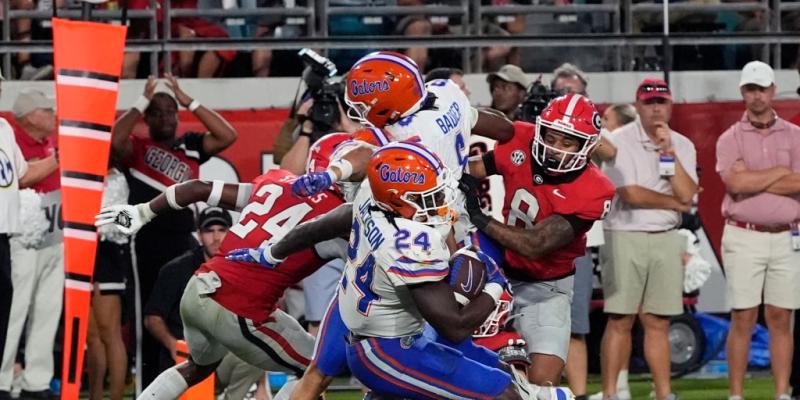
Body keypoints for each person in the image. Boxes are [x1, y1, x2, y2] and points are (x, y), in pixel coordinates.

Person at [246, 142, 572, 400]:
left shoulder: (371, 198)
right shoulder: (411, 241)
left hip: (363, 315)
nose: (441, 199)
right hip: (387, 347)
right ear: (400, 201)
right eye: (429, 195)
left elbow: (325, 223)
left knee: (501, 371)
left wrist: (272, 253)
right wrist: (494, 287)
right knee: (502, 392)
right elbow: (454, 327)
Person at [96, 165, 347, 400]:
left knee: (197, 367)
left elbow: (196, 188)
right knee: (317, 368)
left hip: (199, 287)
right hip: (239, 307)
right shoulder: (343, 219)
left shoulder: (276, 182)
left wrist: (142, 211)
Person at [462, 93, 616, 387]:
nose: (555, 148)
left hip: (546, 288)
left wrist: (478, 216)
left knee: (541, 383)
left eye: (567, 142)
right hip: (496, 274)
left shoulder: (595, 189)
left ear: (588, 147)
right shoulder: (521, 138)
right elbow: (475, 166)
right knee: (473, 374)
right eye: (552, 136)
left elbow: (536, 245)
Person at [110, 73, 237, 386]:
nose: (166, 117)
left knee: (184, 312)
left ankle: (188, 380)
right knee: (148, 315)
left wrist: (187, 99)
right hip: (144, 241)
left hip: (183, 241)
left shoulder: (190, 145)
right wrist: (141, 101)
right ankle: (148, 384)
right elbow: (114, 141)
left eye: (171, 112)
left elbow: (227, 135)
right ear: (148, 118)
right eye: (158, 112)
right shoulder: (138, 146)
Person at [600, 78, 698, 400]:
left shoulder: (682, 144)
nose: (656, 108)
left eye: (661, 102)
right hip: (624, 235)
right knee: (620, 319)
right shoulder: (618, 140)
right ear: (638, 106)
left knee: (659, 321)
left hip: (665, 237)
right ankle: (612, 393)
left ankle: (664, 393)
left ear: (670, 105)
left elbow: (687, 192)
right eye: (649, 103)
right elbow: (630, 194)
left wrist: (669, 151)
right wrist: (674, 203)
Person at [715, 61, 800, 400]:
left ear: (773, 90)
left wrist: (754, 179)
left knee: (781, 317)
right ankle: (736, 395)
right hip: (742, 234)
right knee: (743, 316)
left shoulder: (795, 136)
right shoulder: (729, 137)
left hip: (787, 235)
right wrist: (781, 172)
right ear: (742, 93)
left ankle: (781, 394)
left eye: (762, 88)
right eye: (751, 89)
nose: (757, 95)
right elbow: (734, 183)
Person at [0, 89, 63, 400]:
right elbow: (20, 180)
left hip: (52, 232)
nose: (53, 115)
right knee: (14, 309)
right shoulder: (14, 137)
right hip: (20, 237)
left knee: (48, 307)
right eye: (46, 110)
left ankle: (36, 381)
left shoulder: (38, 140)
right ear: (28, 116)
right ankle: (3, 376)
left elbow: (30, 174)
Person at [88, 167, 130, 400]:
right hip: (80, 252)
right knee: (91, 336)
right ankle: (95, 396)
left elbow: (115, 224)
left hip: (107, 255)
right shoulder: (77, 172)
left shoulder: (115, 176)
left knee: (109, 332)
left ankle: (115, 397)